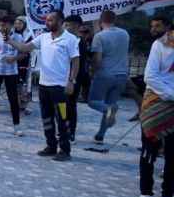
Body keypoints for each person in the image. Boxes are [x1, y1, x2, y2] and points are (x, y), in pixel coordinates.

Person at [9, 10, 80, 161]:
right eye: (46, 20)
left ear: (60, 21)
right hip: (43, 86)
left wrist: (71, 81)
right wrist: (9, 40)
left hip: (60, 88)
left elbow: (75, 61)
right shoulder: (43, 37)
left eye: (51, 20)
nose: (47, 22)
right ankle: (51, 146)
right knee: (46, 117)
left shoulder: (70, 39)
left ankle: (65, 150)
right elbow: (24, 48)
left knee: (62, 117)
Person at [137, 18, 174, 197]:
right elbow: (150, 76)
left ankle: (169, 195)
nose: (153, 29)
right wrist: (171, 94)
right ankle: (146, 193)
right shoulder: (160, 45)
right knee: (148, 151)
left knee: (172, 155)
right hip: (157, 103)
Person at [88, 10, 130, 144]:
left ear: (100, 21)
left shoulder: (99, 36)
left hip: (105, 74)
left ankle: (108, 110)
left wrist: (93, 71)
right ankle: (100, 136)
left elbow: (98, 60)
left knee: (93, 101)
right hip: (122, 75)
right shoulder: (125, 34)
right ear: (115, 19)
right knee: (110, 103)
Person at [130, 17, 169, 121]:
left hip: (161, 95)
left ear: (167, 27)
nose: (153, 29)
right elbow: (151, 76)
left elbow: (150, 76)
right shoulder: (157, 44)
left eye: (157, 26)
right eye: (152, 26)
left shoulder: (159, 43)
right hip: (157, 93)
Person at [62, 14, 88, 142]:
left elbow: (78, 63)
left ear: (76, 26)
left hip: (73, 79)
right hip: (62, 77)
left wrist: (72, 80)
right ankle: (62, 127)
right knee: (62, 104)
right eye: (64, 25)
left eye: (67, 25)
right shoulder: (65, 39)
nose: (65, 27)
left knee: (71, 104)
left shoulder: (79, 41)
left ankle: (70, 130)